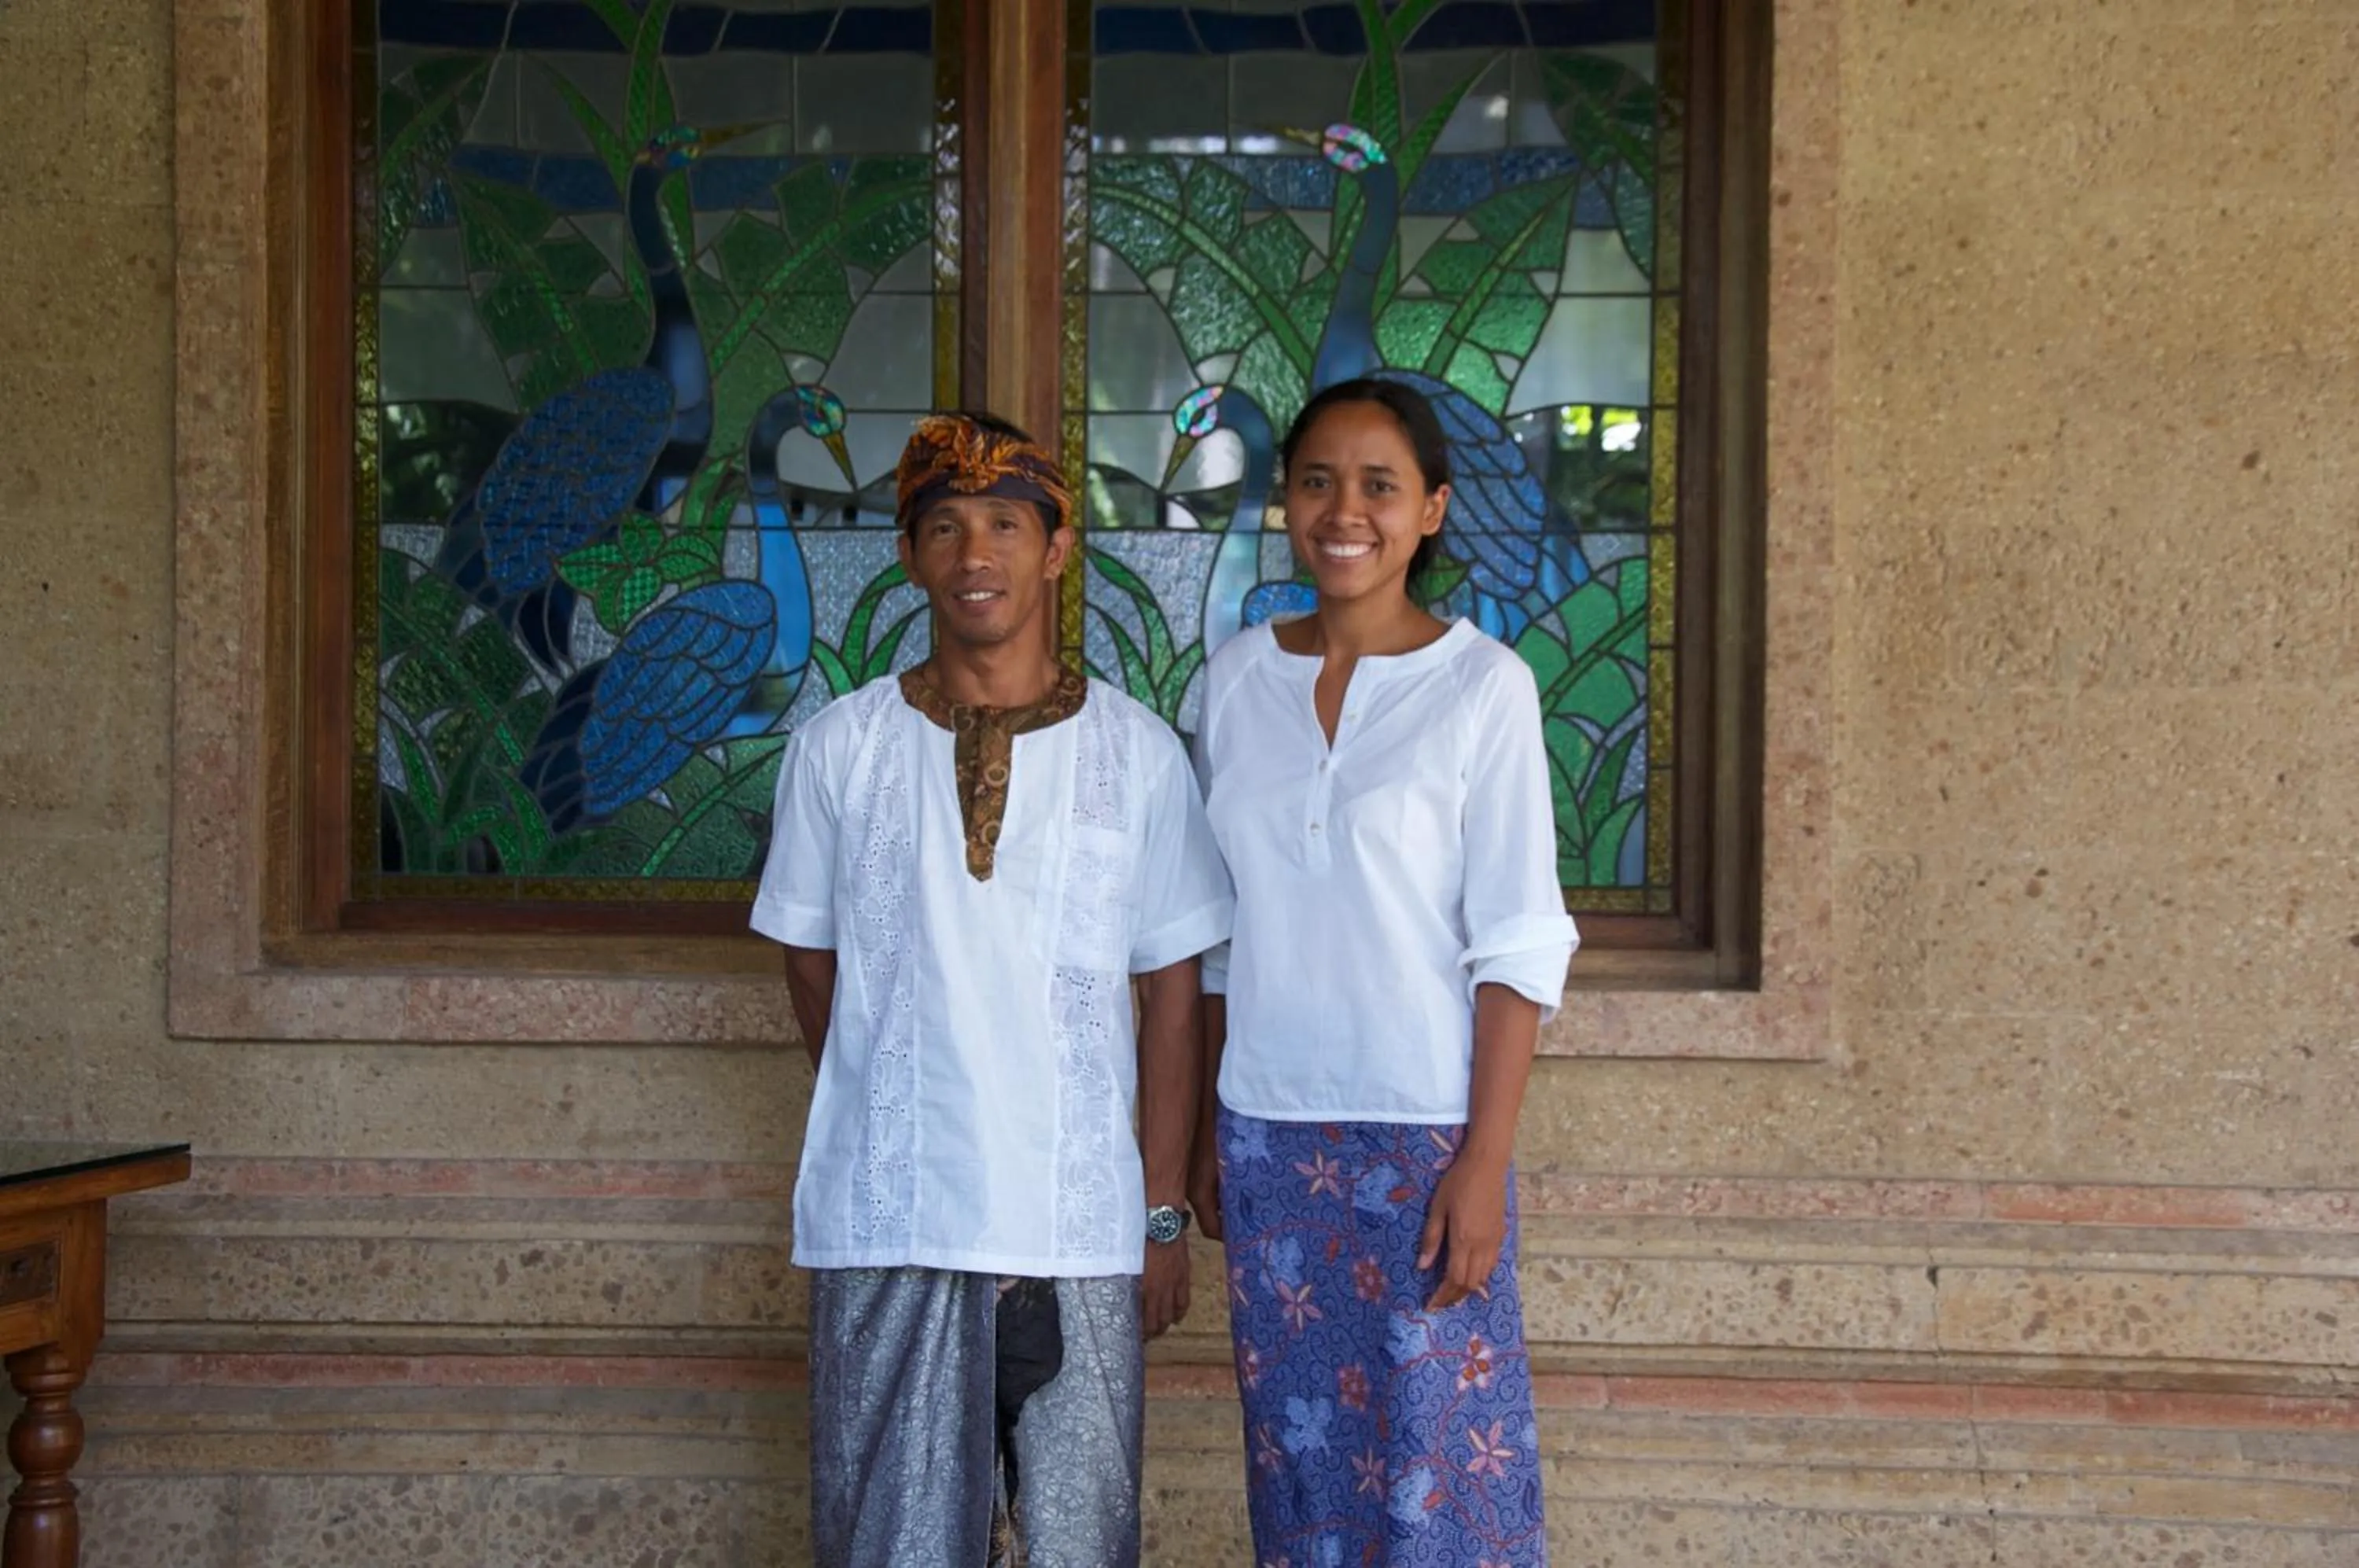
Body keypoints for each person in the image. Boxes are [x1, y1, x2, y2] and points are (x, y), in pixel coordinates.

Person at [751, 411, 1233, 1567]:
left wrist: (1161, 1213)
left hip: (1078, 1230)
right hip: (892, 1225)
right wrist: (890, 1101)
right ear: (912, 556)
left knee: (1082, 1547)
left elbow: (1174, 995)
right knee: (891, 1547)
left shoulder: (1139, 754)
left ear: (1058, 547)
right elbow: (812, 964)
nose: (978, 554)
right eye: (946, 527)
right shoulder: (842, 748)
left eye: (1008, 523)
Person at [1187, 378, 1578, 1565]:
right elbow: (1216, 938)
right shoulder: (1234, 683)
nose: (1342, 510)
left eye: (1378, 485)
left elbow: (1516, 943)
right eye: (1315, 481)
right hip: (1269, 1139)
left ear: (1433, 510)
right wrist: (1207, 1128)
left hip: (1422, 1144)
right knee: (1302, 1470)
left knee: (1440, 1467)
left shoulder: (1483, 688)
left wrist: (1483, 1161)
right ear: (1283, 504)